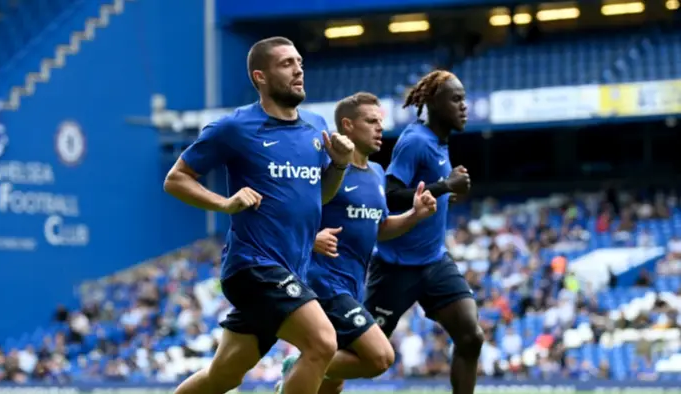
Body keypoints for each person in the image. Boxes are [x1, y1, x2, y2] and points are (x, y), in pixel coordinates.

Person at [163, 36, 355, 394]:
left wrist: (340, 165)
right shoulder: (235, 128)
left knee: (224, 376)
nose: (298, 69)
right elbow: (176, 179)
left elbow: (321, 193)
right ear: (260, 76)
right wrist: (224, 203)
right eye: (286, 63)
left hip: (290, 269)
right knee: (323, 343)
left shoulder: (316, 126)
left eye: (299, 61)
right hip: (254, 268)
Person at [275, 92, 438, 394]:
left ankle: (304, 367)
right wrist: (311, 239)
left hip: (352, 286)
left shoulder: (377, 173)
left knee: (332, 383)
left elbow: (381, 229)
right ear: (347, 125)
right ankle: (297, 363)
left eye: (381, 121)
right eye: (371, 121)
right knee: (379, 357)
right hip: (322, 284)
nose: (380, 127)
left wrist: (415, 215)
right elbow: (286, 213)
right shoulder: (327, 169)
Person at [365, 70, 484, 394]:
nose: (464, 106)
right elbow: (389, 195)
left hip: (434, 262)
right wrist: (446, 185)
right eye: (456, 99)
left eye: (464, 98)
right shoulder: (415, 141)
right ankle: (302, 375)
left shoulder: (439, 142)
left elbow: (426, 191)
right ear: (433, 103)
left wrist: (444, 187)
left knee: (471, 337)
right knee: (361, 355)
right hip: (395, 268)